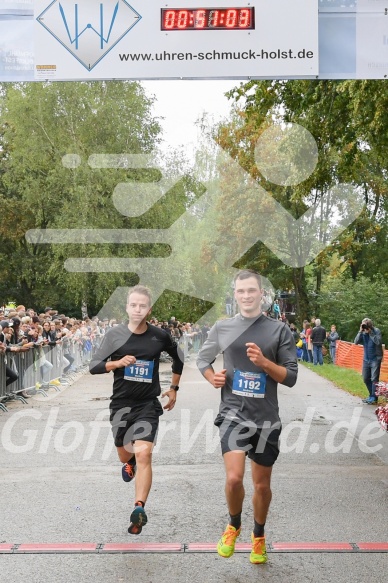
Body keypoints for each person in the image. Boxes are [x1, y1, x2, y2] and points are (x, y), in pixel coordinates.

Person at [196, 269, 298, 565]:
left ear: (261, 293)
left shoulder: (279, 331)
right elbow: (203, 359)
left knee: (262, 486)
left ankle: (258, 535)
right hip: (233, 414)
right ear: (235, 294)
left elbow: (290, 377)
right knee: (233, 478)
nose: (246, 296)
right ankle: (234, 524)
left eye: (251, 290)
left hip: (266, 418)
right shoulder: (224, 327)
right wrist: (212, 377)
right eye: (240, 291)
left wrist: (264, 362)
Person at [89, 285, 184, 534]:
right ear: (127, 308)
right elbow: (94, 365)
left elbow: (179, 357)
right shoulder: (114, 335)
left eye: (143, 305)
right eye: (134, 305)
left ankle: (138, 508)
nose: (138, 309)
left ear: (149, 309)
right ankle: (128, 461)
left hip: (147, 405)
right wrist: (117, 362)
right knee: (125, 455)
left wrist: (174, 387)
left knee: (144, 455)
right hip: (121, 404)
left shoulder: (159, 336)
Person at [354, 318, 383, 405]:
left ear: (370, 326)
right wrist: (360, 331)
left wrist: (370, 333)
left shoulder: (376, 331)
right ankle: (371, 395)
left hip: (375, 359)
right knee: (366, 378)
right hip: (366, 359)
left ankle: (374, 398)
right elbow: (355, 342)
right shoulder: (362, 332)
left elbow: (378, 342)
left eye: (365, 325)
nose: (364, 327)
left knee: (374, 379)